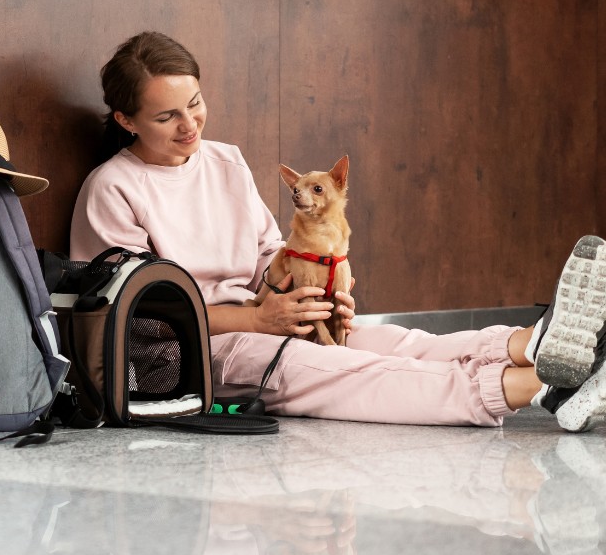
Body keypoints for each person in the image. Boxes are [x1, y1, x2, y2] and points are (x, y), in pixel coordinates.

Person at [69, 31, 606, 432]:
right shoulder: (112, 188)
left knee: (395, 340)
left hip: (271, 313)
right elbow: (136, 317)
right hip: (200, 350)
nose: (190, 126)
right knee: (352, 370)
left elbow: (266, 256)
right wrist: (256, 318)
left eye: (195, 104)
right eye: (166, 118)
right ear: (126, 120)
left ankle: (537, 344)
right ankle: (544, 387)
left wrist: (320, 295)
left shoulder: (225, 161)